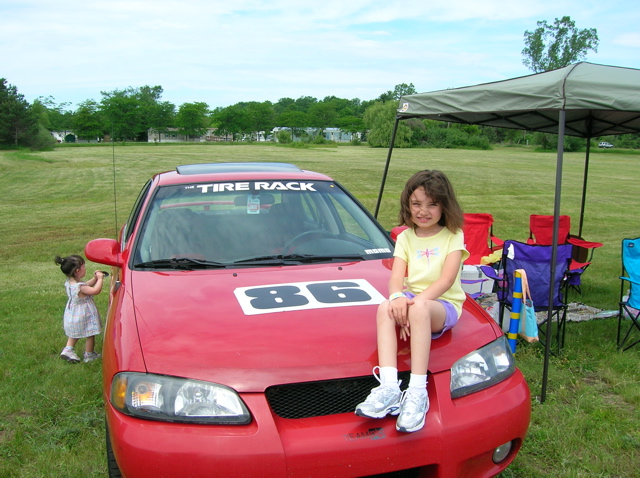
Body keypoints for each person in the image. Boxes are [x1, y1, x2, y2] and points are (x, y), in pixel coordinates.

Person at [355, 170, 468, 433]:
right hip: (413, 300)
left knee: (418, 308)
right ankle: (389, 388)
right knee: (384, 307)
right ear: (408, 205)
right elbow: (396, 279)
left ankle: (417, 392)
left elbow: (446, 280)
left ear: (444, 205)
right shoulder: (405, 237)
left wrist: (413, 305)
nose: (423, 211)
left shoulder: (453, 234)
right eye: (416, 204)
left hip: (443, 304)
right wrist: (397, 299)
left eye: (432, 204)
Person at [54, 254, 105, 363]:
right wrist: (100, 279)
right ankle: (89, 354)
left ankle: (68, 349)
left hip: (73, 314)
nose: (85, 269)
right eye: (83, 267)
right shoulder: (80, 287)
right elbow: (95, 291)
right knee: (90, 333)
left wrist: (95, 278)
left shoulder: (71, 283)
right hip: (84, 314)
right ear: (77, 271)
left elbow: (86, 285)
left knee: (74, 333)